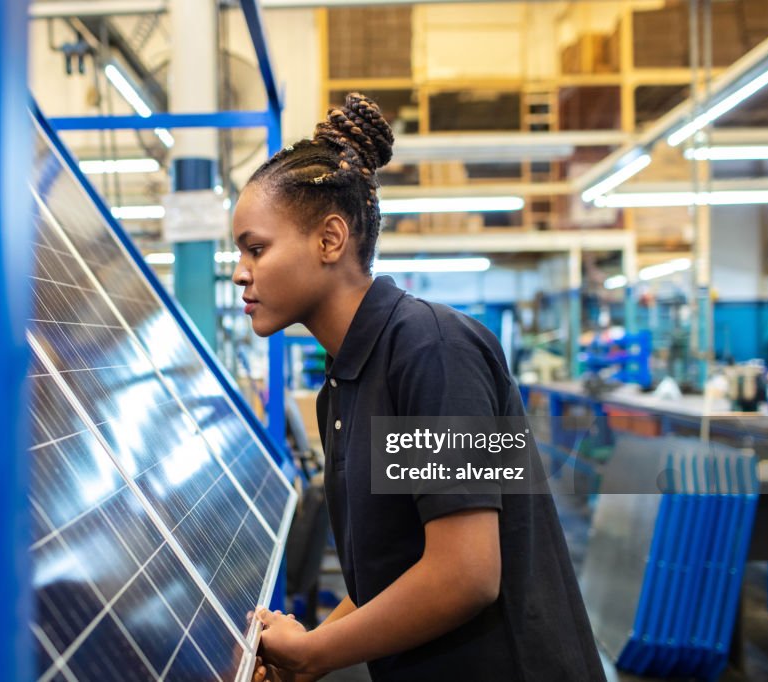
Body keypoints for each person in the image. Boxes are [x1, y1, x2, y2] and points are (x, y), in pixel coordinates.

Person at [232, 93, 606, 681]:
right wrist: (310, 653)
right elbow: (397, 571)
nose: (240, 271)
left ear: (330, 240)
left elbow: (466, 575)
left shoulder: (432, 351)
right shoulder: (346, 385)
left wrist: (319, 652)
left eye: (256, 248)